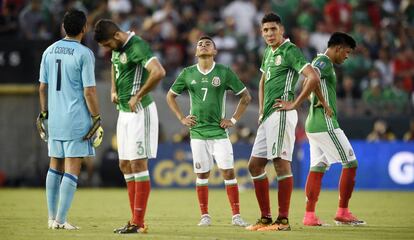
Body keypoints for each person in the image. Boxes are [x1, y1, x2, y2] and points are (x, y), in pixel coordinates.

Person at [246, 12, 324, 232]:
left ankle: (283, 220)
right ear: (261, 33)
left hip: (282, 114)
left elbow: (313, 76)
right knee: (254, 165)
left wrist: (295, 103)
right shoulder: (269, 53)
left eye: (273, 29)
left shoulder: (290, 50)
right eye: (265, 30)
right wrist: (261, 109)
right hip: (268, 115)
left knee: (280, 162)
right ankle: (265, 218)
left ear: (281, 30)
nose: (269, 34)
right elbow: (262, 80)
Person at [166, 36, 251, 227]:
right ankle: (205, 215)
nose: (203, 45)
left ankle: (236, 216)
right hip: (197, 133)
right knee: (202, 175)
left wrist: (234, 119)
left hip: (219, 133)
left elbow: (246, 97)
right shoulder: (187, 73)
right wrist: (182, 118)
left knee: (228, 172)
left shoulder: (224, 72)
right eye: (199, 44)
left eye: (208, 44)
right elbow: (170, 96)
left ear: (214, 51)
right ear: (195, 52)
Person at [93, 19, 166, 234]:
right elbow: (115, 65)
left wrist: (139, 95)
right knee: (124, 165)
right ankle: (135, 219)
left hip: (140, 111)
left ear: (116, 36)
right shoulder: (117, 49)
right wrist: (113, 89)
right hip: (123, 113)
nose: (107, 49)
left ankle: (138, 222)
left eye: (107, 45)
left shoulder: (138, 46)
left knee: (137, 165)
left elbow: (158, 72)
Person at [37, 9, 103, 230]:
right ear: (84, 28)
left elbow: (42, 87)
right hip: (76, 119)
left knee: (54, 165)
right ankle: (61, 220)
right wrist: (96, 117)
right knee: (72, 167)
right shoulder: (84, 54)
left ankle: (50, 217)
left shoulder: (49, 50)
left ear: (64, 27)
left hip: (54, 119)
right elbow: (89, 91)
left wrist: (44, 114)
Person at [303, 32, 366, 226]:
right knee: (350, 163)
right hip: (325, 123)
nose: (347, 56)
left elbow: (308, 81)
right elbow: (311, 78)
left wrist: (312, 98)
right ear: (338, 48)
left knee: (318, 167)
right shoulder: (324, 62)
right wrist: (323, 102)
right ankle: (343, 212)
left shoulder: (319, 61)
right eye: (346, 52)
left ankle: (309, 216)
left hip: (312, 125)